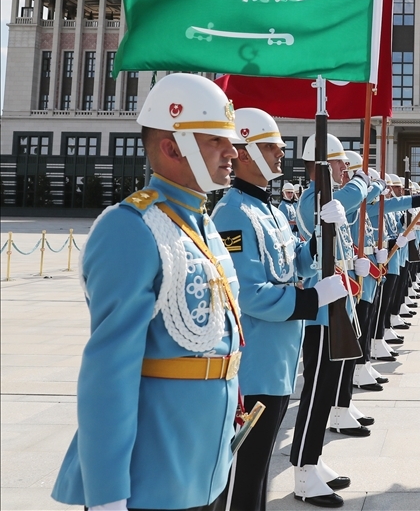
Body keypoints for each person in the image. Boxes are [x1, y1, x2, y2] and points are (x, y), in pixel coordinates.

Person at [52, 74, 245, 510]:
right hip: (151, 476)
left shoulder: (203, 224)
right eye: (217, 139)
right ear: (172, 147)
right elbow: (108, 371)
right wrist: (107, 492)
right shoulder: (130, 227)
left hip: (205, 465)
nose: (233, 151)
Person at [212, 109, 350, 510]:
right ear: (246, 151)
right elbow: (250, 293)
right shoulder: (233, 214)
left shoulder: (271, 211)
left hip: (279, 363)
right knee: (243, 480)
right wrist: (312, 300)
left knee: (256, 480)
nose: (281, 152)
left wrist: (323, 235)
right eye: (272, 145)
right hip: (254, 364)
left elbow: (293, 265)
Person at [291, 136, 374, 507]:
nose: (344, 171)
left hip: (336, 303)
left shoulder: (328, 200)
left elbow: (342, 230)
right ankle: (304, 471)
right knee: (316, 389)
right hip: (320, 310)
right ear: (320, 166)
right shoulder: (314, 198)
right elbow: (346, 201)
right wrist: (362, 182)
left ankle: (314, 459)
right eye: (339, 164)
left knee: (325, 389)